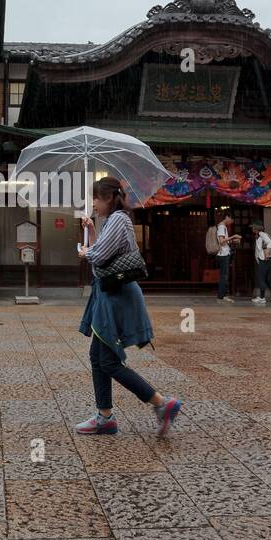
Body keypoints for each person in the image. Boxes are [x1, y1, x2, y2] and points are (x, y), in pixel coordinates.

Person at [75, 177, 181, 437]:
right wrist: (92, 231)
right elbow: (106, 251)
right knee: (97, 357)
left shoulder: (119, 219)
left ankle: (161, 403)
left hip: (118, 296)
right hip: (111, 294)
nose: (94, 204)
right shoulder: (112, 221)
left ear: (109, 198)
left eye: (97, 199)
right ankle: (105, 417)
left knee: (108, 361)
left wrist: (84, 252)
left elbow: (99, 257)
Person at [251, 224, 271, 305]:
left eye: (253, 227)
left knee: (261, 278)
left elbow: (270, 243)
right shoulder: (259, 235)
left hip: (265, 260)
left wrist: (267, 253)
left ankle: (262, 298)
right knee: (268, 279)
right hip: (264, 260)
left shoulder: (262, 234)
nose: (252, 229)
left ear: (256, 228)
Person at [215, 212, 239, 302]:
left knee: (224, 275)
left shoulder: (222, 226)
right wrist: (233, 236)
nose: (231, 222)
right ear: (227, 217)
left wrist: (232, 241)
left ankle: (223, 295)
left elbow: (224, 242)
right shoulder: (221, 226)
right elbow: (221, 241)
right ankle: (222, 295)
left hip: (224, 253)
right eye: (231, 220)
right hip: (223, 254)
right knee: (224, 275)